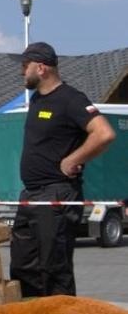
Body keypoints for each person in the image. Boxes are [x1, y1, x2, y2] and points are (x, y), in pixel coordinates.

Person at [10, 42, 115, 297]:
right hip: (31, 195)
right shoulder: (36, 99)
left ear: (42, 67)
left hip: (57, 194)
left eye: (25, 66)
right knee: (23, 265)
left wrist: (73, 159)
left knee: (53, 268)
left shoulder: (71, 99)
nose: (21, 71)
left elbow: (104, 133)